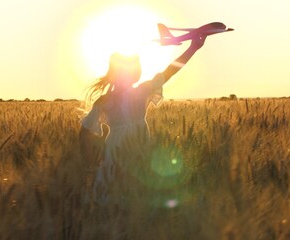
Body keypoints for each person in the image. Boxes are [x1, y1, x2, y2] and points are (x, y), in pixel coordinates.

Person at [79, 35, 206, 208]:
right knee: (123, 198)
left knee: (129, 198)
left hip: (130, 149)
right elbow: (85, 130)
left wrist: (193, 48)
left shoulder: (130, 94)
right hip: (126, 151)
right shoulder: (112, 99)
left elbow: (169, 71)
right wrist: (89, 161)